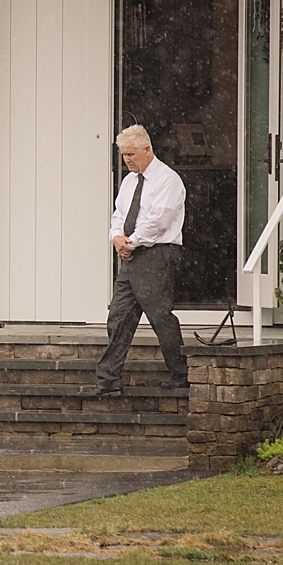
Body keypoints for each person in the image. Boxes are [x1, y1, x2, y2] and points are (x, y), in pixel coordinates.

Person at [79, 125, 188, 398]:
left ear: (147, 149)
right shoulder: (129, 181)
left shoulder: (167, 180)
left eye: (130, 154)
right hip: (131, 256)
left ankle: (180, 375)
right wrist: (117, 238)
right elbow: (119, 214)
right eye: (123, 154)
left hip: (157, 255)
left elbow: (159, 222)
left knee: (160, 317)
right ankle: (108, 381)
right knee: (118, 318)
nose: (126, 159)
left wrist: (131, 242)